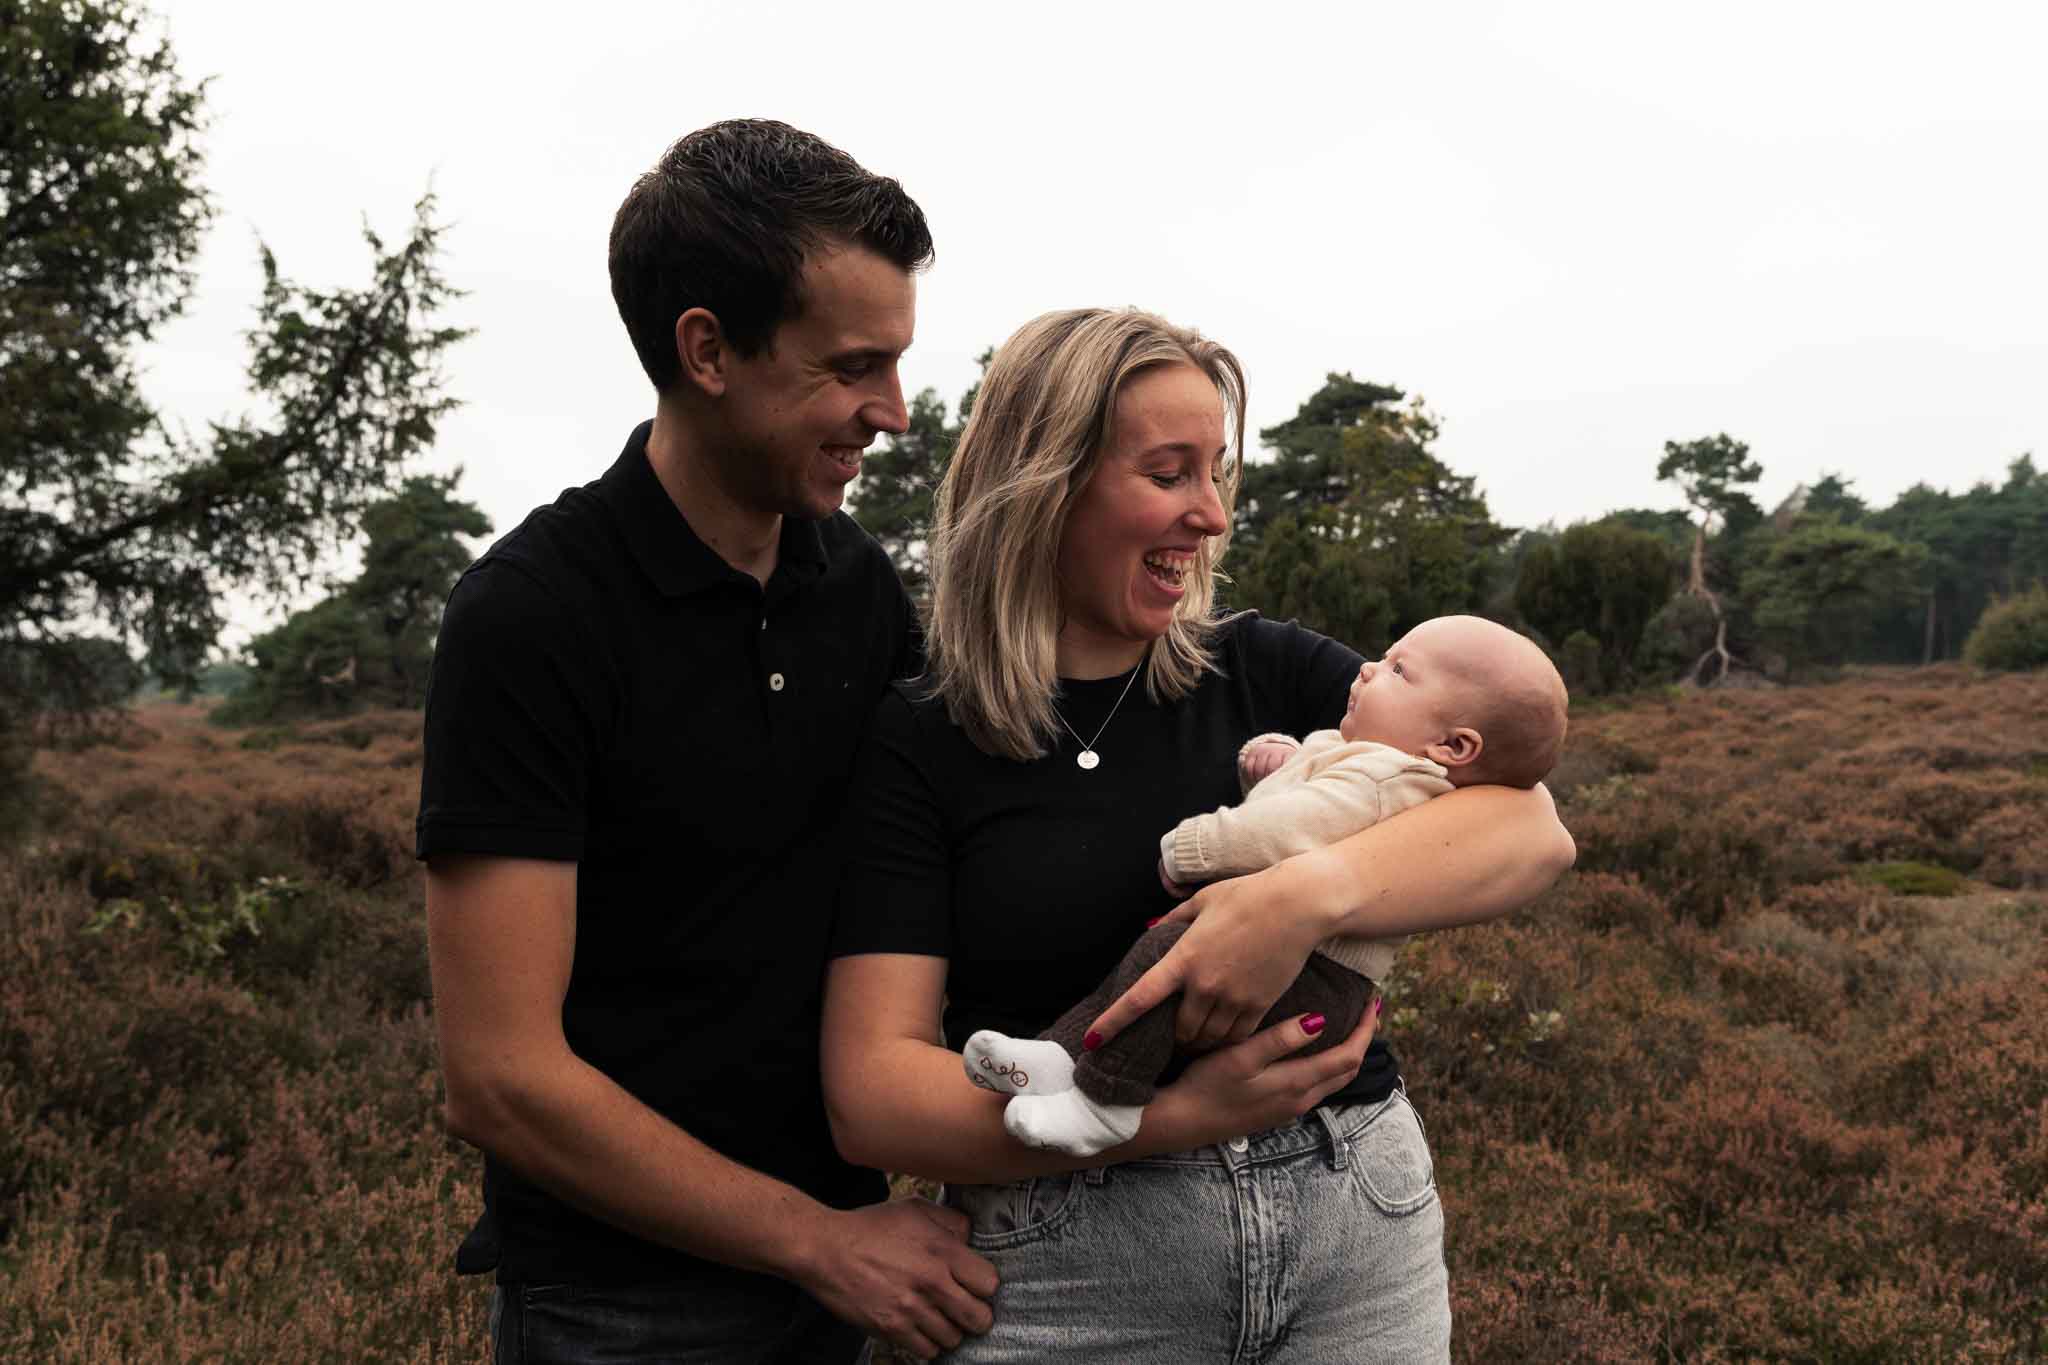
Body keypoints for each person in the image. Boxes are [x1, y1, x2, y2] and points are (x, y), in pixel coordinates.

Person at [822, 307, 1577, 1362]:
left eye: (1216, 473)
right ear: (1045, 482)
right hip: (1072, 1259)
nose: (1212, 514)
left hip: (1354, 1222)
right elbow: (873, 1097)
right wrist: (1175, 1115)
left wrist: (1295, 897)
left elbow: (1532, 830)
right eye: (1169, 473)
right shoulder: (922, 739)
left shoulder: (1264, 667)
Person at [417, 120, 999, 1364]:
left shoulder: (858, 589)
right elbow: (500, 1078)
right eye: (853, 367)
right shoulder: (533, 615)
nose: (892, 413)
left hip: (850, 1276)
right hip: (620, 1312)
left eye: (896, 364)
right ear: (706, 350)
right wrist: (816, 1242)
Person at [965, 614, 1569, 1156]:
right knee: (1156, 963)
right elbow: (1308, 787)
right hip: (1309, 981)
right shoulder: (1355, 751)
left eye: (1397, 671)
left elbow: (1286, 830)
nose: (1366, 667)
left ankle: (1106, 1101)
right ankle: (1066, 1057)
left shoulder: (1391, 775)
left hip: (1321, 977)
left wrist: (1193, 849)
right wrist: (1279, 757)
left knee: (1166, 966)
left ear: (1452, 745)